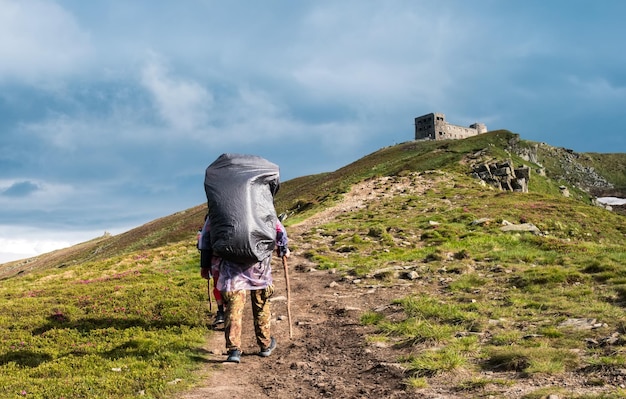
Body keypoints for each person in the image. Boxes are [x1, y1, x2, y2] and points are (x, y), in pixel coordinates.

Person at [202, 220, 289, 363]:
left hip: (231, 265)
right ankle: (265, 345)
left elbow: (206, 237)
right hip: (259, 266)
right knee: (261, 303)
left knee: (233, 307)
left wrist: (205, 265)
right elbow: (279, 230)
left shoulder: (221, 208)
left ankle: (234, 350)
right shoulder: (261, 203)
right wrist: (283, 249)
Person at [198, 215, 225, 325]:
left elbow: (204, 244)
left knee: (218, 286)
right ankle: (229, 313)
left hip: (216, 259)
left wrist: (205, 266)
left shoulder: (210, 219)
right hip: (234, 259)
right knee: (232, 286)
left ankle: (221, 312)